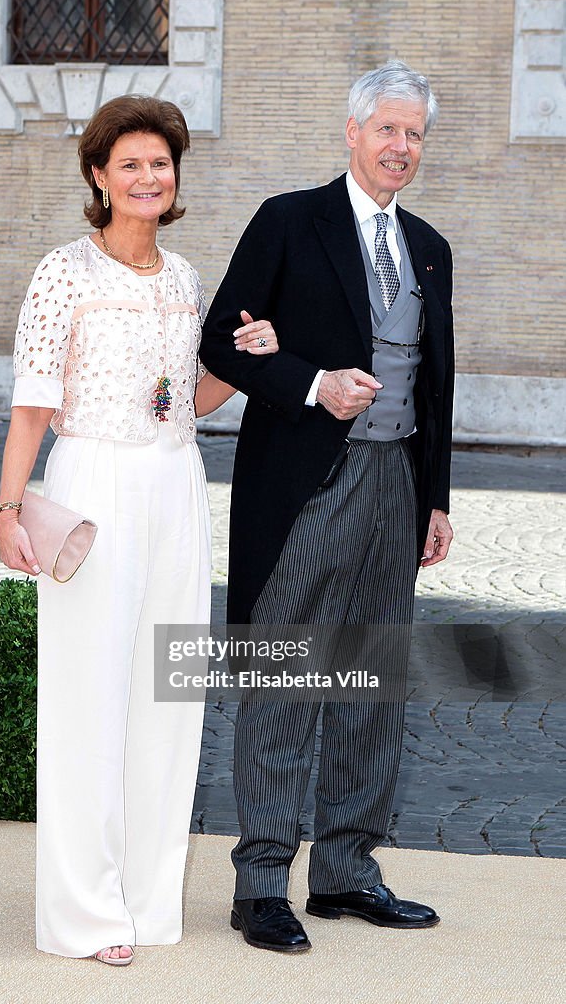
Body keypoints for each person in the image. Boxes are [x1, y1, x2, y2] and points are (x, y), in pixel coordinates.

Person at [0, 95, 278, 966]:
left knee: (167, 696)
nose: (148, 177)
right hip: (91, 485)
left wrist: (242, 368)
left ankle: (148, 901)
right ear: (98, 176)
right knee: (90, 700)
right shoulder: (63, 272)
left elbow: (180, 404)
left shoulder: (188, 280)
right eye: (130, 165)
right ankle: (84, 913)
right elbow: (33, 406)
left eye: (160, 163)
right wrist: (8, 510)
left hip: (174, 485)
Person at [199, 61, 455, 952]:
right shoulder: (287, 220)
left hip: (395, 484)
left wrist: (434, 497)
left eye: (413, 133)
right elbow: (220, 341)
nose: (400, 147)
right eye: (386, 129)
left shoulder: (428, 245)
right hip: (308, 483)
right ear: (351, 133)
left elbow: (436, 384)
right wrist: (308, 384)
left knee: (370, 683)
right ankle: (261, 883)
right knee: (286, 677)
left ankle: (346, 875)